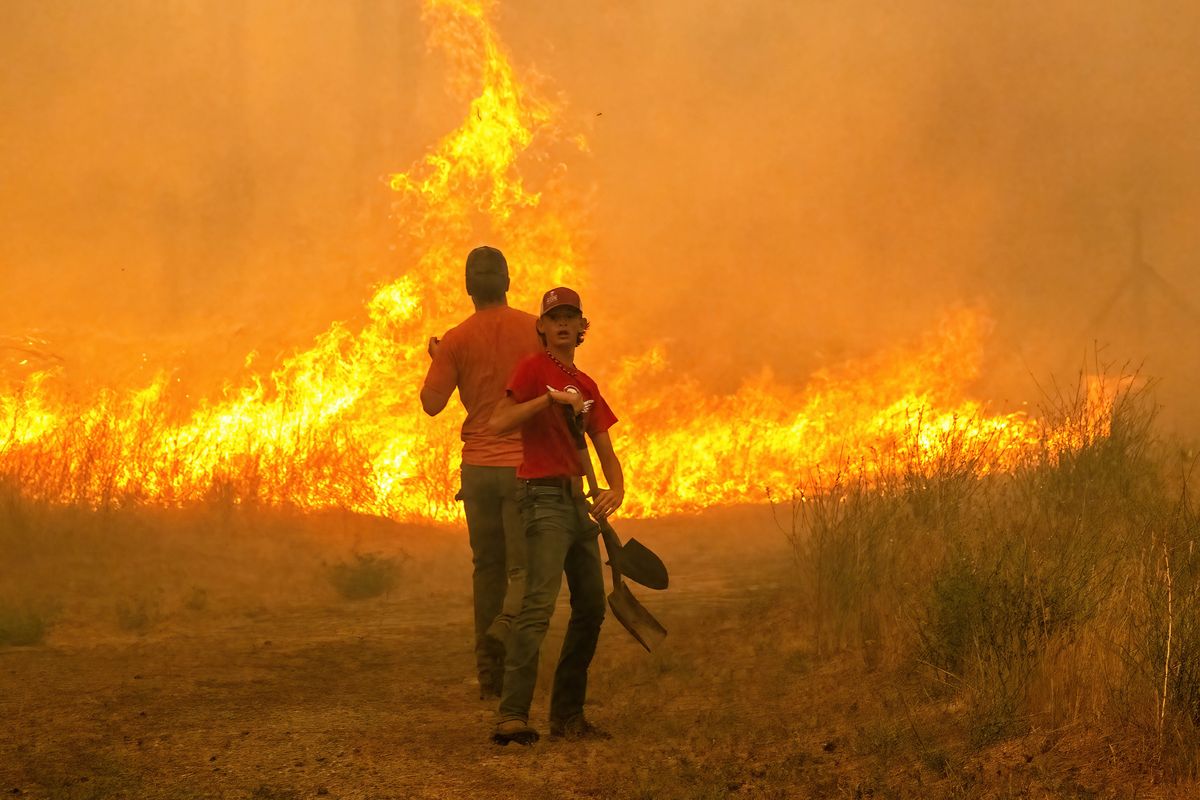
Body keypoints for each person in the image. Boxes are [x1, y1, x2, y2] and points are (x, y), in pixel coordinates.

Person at [487, 286, 624, 744]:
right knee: (538, 607)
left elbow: (603, 444)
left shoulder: (587, 386)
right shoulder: (533, 369)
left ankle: (567, 718)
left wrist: (616, 488)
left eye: (572, 316)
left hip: (577, 505)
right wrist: (547, 400)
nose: (563, 323)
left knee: (589, 608)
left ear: (583, 328)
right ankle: (512, 716)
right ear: (542, 327)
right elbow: (499, 422)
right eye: (555, 317)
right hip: (542, 499)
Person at [420, 245, 540, 700]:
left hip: (477, 471)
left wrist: (437, 357)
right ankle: (515, 664)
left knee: (485, 568)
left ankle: (489, 676)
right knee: (522, 569)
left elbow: (432, 405)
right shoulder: (535, 329)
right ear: (507, 282)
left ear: (468, 288)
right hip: (524, 469)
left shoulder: (455, 338)